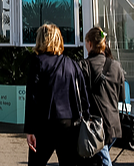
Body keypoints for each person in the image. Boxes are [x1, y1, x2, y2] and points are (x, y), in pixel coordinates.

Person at [24, 23, 89, 166]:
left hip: (45, 123)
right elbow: (83, 96)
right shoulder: (72, 64)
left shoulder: (37, 62)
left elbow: (32, 98)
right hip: (69, 123)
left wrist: (29, 129)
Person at [81, 27, 125, 166]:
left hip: (95, 125)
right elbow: (122, 96)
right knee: (99, 157)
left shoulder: (84, 66)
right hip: (114, 123)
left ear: (89, 43)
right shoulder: (116, 66)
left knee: (104, 159)